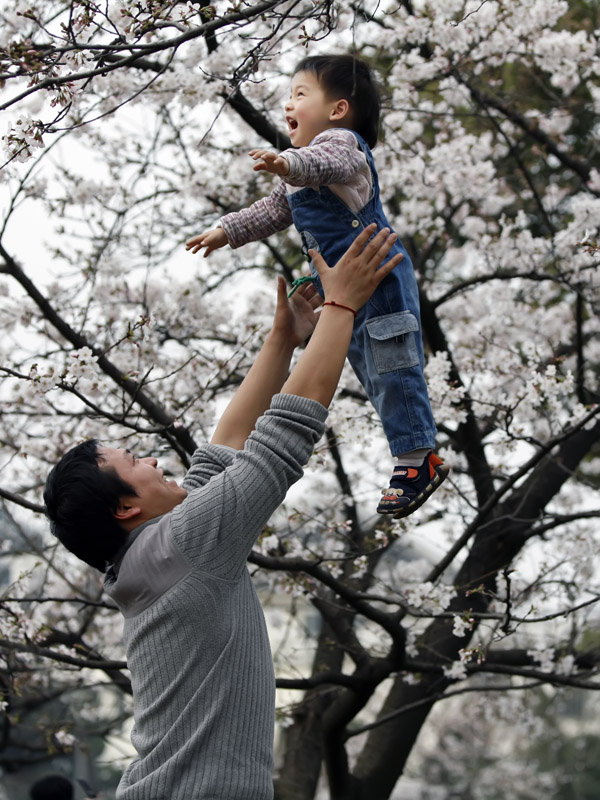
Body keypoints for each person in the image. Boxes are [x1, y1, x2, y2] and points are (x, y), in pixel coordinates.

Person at [44, 226, 402, 800]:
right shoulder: (181, 545)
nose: (156, 457)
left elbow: (224, 449)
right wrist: (341, 305)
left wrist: (283, 340)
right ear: (127, 506)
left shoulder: (157, 553)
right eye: (136, 459)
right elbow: (280, 439)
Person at [186, 54, 448, 518]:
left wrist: (286, 162)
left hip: (377, 277)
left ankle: (416, 458)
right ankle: (408, 454)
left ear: (338, 110)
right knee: (371, 369)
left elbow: (320, 163)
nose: (288, 103)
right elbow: (270, 212)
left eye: (300, 94)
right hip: (346, 290)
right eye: (289, 95)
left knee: (392, 364)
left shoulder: (342, 147)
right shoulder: (297, 176)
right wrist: (226, 232)